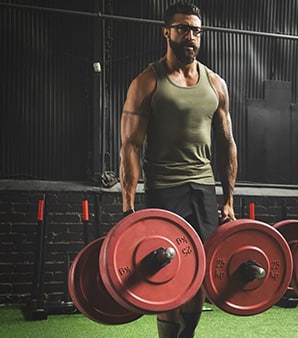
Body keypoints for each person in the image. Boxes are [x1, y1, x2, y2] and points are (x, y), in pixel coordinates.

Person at [119, 2, 237, 337]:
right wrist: (127, 207)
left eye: (196, 30)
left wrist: (228, 199)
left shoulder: (216, 84)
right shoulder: (146, 82)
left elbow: (227, 144)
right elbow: (130, 146)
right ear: (166, 32)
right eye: (183, 28)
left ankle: (188, 335)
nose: (190, 37)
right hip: (164, 188)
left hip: (203, 188)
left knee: (198, 271)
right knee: (169, 270)